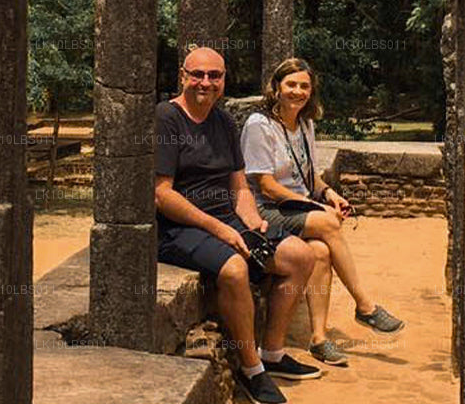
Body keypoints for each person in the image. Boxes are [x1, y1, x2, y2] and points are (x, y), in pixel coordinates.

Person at [155, 46, 319, 404]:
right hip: (179, 227)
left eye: (214, 75)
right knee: (233, 269)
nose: (206, 82)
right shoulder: (166, 118)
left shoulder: (224, 121)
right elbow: (162, 195)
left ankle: (272, 352)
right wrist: (221, 230)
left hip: (226, 218)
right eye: (198, 74)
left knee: (301, 256)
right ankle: (251, 369)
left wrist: (251, 220)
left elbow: (239, 186)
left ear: (224, 80)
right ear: (182, 77)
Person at [242, 58, 405, 367]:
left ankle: (318, 338)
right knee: (329, 223)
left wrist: (329, 194)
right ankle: (365, 306)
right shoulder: (259, 125)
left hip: (296, 207)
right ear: (276, 88)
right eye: (291, 84)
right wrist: (314, 206)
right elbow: (266, 186)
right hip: (265, 210)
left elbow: (310, 178)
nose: (297, 91)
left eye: (304, 86)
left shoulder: (305, 124)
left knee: (320, 252)